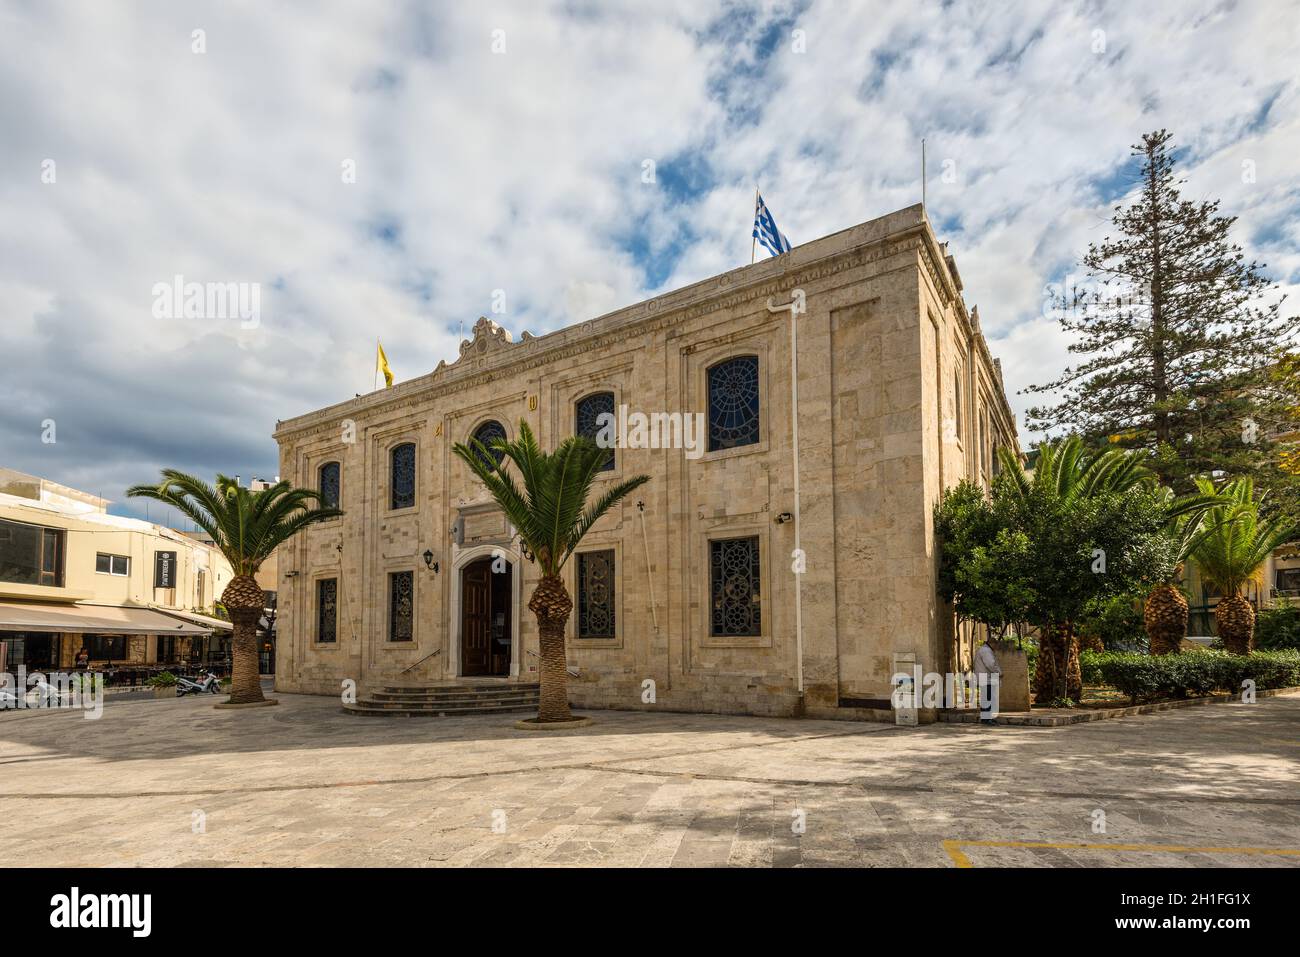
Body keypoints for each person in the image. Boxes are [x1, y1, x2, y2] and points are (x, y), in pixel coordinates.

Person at [973, 636, 1002, 726]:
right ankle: (987, 719)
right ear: (992, 643)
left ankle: (986, 718)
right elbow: (990, 664)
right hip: (986, 678)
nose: (996, 647)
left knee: (986, 698)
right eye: (996, 645)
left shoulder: (983, 650)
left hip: (984, 677)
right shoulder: (986, 651)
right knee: (988, 698)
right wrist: (998, 672)